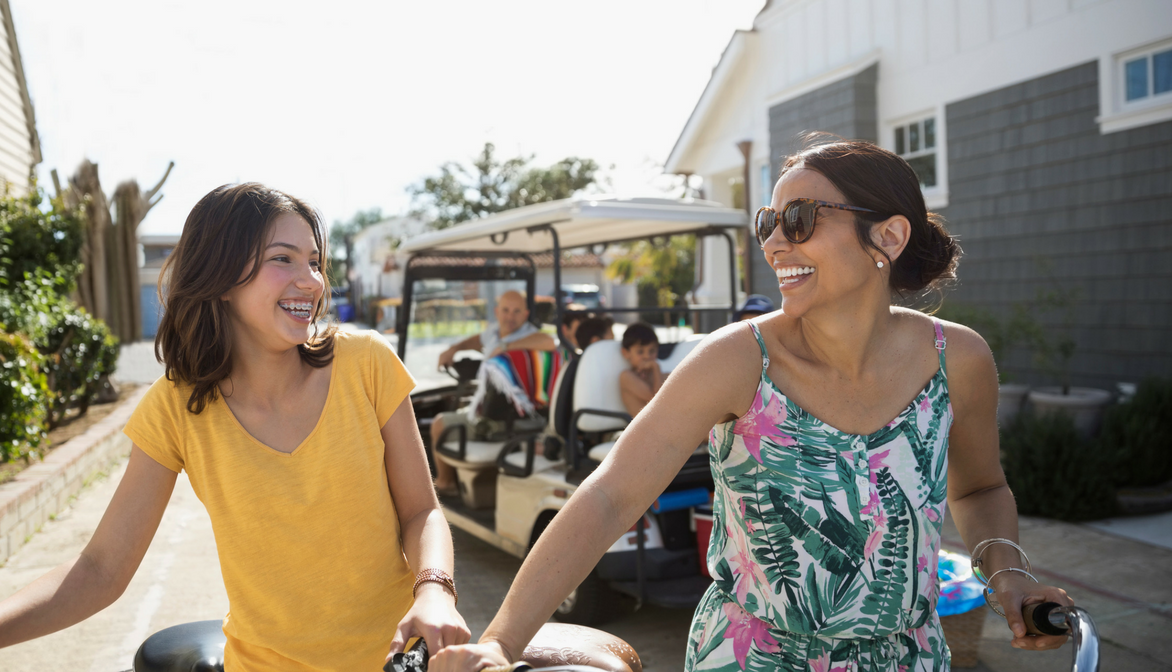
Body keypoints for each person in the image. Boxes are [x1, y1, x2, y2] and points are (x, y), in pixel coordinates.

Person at [430, 139, 1074, 671]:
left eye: (798, 220)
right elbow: (610, 496)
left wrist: (1007, 574)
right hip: (751, 658)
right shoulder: (737, 359)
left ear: (889, 236)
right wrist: (501, 642)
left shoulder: (957, 360)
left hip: (907, 657)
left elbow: (982, 486)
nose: (772, 245)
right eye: (768, 224)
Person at [0, 184, 469, 672]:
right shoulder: (176, 407)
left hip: (400, 661)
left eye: (315, 262)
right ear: (220, 276)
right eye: (284, 259)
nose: (312, 281)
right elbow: (100, 569)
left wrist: (434, 591)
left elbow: (422, 511)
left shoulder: (365, 363)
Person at [430, 290, 555, 494]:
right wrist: (454, 349)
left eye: (516, 311)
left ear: (526, 314)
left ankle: (445, 484)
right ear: (497, 312)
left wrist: (507, 347)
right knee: (463, 408)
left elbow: (549, 342)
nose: (510, 316)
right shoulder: (494, 332)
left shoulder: (530, 335)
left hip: (503, 420)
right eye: (506, 310)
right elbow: (476, 341)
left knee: (438, 424)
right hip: (491, 409)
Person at [617, 322, 664, 417]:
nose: (647, 356)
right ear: (625, 353)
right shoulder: (626, 376)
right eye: (640, 352)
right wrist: (656, 367)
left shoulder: (655, 375)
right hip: (647, 430)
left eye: (652, 351)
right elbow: (658, 401)